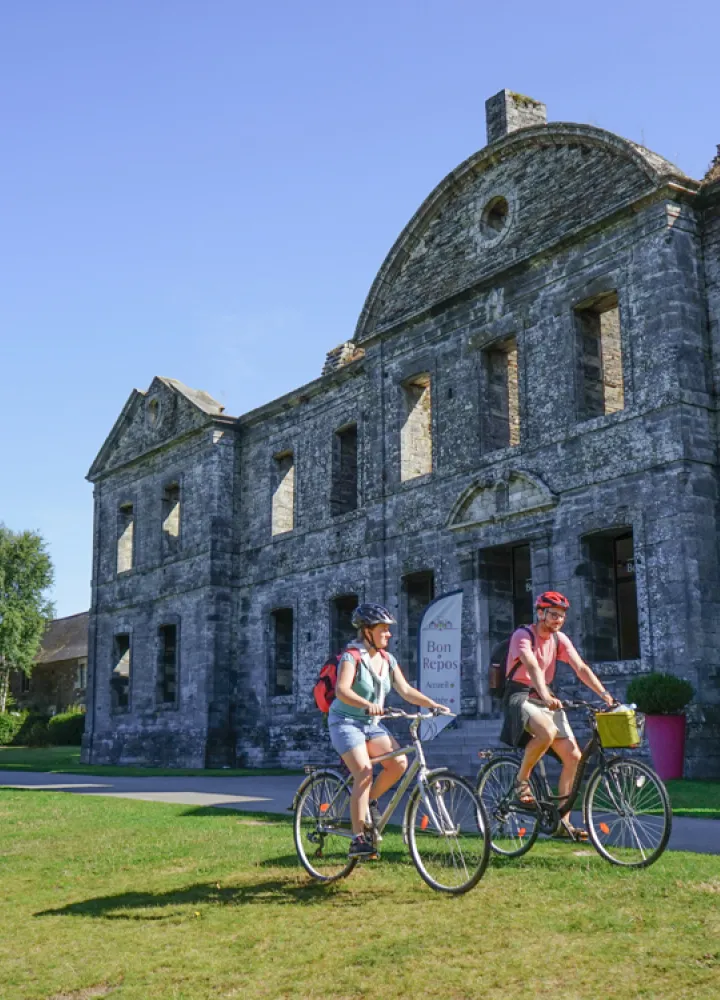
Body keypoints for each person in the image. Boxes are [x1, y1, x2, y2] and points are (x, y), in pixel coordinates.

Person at [328, 602, 451, 858]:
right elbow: (342, 690)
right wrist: (367, 705)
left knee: (399, 763)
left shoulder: (387, 660)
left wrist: (432, 704)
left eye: (388, 629)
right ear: (367, 631)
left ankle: (367, 803)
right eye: (383, 629)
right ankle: (358, 838)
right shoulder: (352, 656)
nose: (389, 634)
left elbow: (405, 690)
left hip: (371, 725)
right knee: (364, 771)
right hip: (345, 722)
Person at [500, 591, 614, 839]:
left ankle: (562, 823)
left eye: (561, 616)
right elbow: (532, 665)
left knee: (574, 757)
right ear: (540, 613)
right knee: (546, 732)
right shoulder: (523, 635)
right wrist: (544, 694)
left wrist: (605, 694)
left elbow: (580, 667)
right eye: (553, 614)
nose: (558, 620)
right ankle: (521, 781)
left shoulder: (559, 640)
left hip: (545, 696)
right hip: (520, 694)